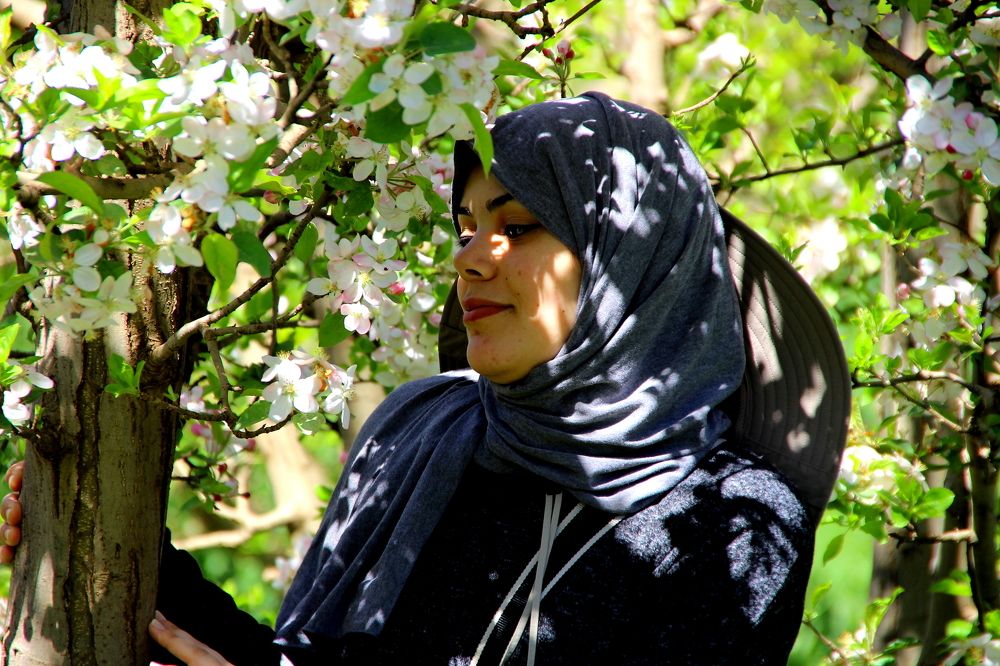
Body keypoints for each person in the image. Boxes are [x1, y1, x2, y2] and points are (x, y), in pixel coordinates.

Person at [0, 92, 850, 665]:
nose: (471, 257)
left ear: (633, 265)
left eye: (520, 225)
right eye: (466, 224)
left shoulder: (735, 521)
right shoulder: (425, 434)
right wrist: (108, 544)